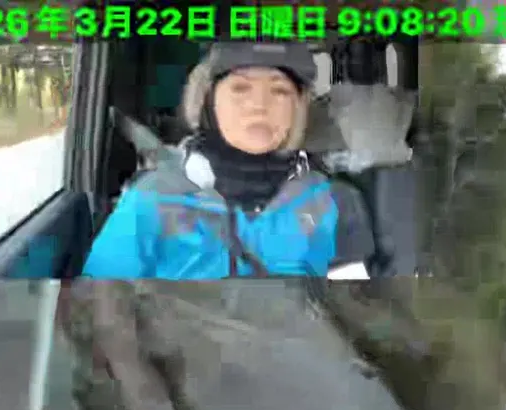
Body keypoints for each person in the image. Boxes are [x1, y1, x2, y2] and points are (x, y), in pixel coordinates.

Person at [82, 42, 355, 279]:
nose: (260, 105)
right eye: (240, 88)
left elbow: (357, 306)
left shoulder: (334, 203)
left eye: (280, 91)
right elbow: (96, 309)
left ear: (298, 109)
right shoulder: (152, 200)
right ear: (207, 102)